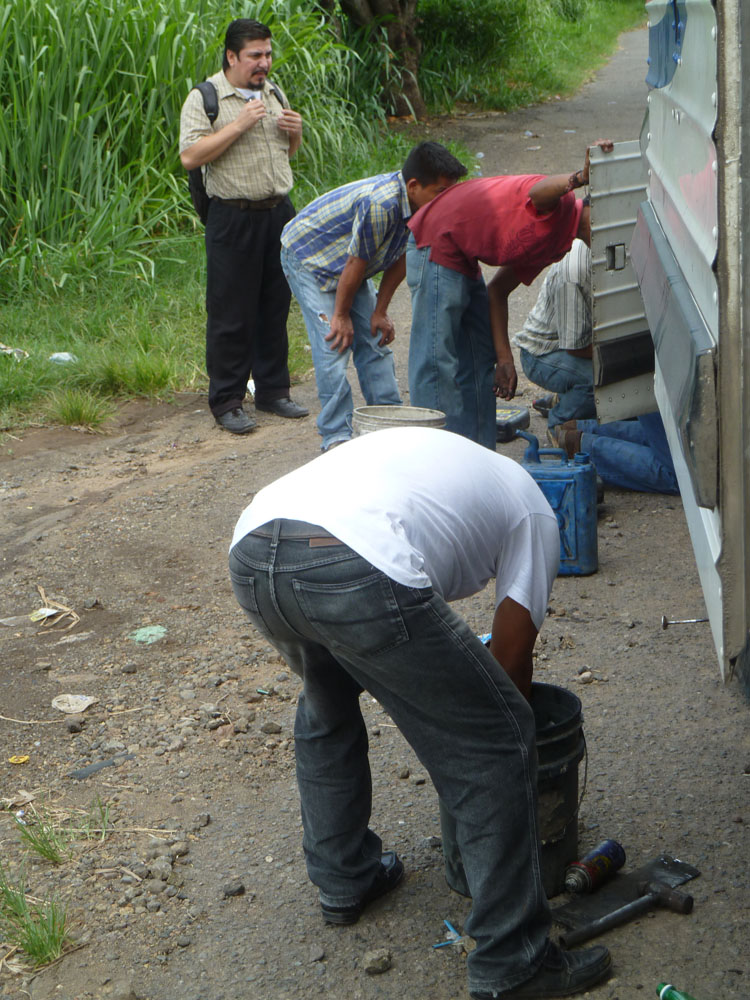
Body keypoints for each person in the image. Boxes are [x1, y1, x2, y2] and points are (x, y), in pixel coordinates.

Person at [228, 427, 612, 999]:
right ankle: (515, 962)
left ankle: (345, 878)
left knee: (327, 701)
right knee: (497, 737)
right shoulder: (535, 514)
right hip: (353, 559)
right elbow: (512, 659)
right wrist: (474, 734)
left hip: (254, 550)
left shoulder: (448, 468)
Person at [406, 141, 612, 451]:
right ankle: (434, 456)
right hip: (436, 239)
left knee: (479, 361)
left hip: (464, 256)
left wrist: (504, 358)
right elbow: (537, 192)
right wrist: (579, 178)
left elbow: (498, 291)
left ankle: (478, 456)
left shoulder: (558, 246)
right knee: (436, 362)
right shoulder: (562, 203)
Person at [280, 143, 467, 451]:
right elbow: (355, 263)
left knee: (374, 340)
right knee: (334, 344)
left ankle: (389, 421)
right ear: (413, 186)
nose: (447, 200)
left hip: (351, 264)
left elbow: (401, 259)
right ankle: (336, 437)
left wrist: (380, 311)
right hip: (310, 257)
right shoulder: (381, 205)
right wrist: (341, 315)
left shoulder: (426, 208)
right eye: (440, 191)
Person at [179, 18, 309, 435]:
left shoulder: (273, 92)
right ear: (232, 56)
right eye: (255, 55)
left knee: (274, 306)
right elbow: (190, 156)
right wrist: (238, 124)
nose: (264, 63)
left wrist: (295, 134)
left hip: (278, 213)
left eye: (267, 54)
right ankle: (227, 401)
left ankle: (273, 392)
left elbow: (285, 154)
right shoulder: (206, 98)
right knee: (231, 312)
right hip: (232, 217)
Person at [513, 240, 679, 494]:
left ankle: (579, 430)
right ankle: (564, 427)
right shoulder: (574, 272)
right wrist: (624, 361)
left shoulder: (610, 248)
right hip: (544, 353)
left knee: (664, 445)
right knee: (598, 380)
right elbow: (575, 346)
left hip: (608, 348)